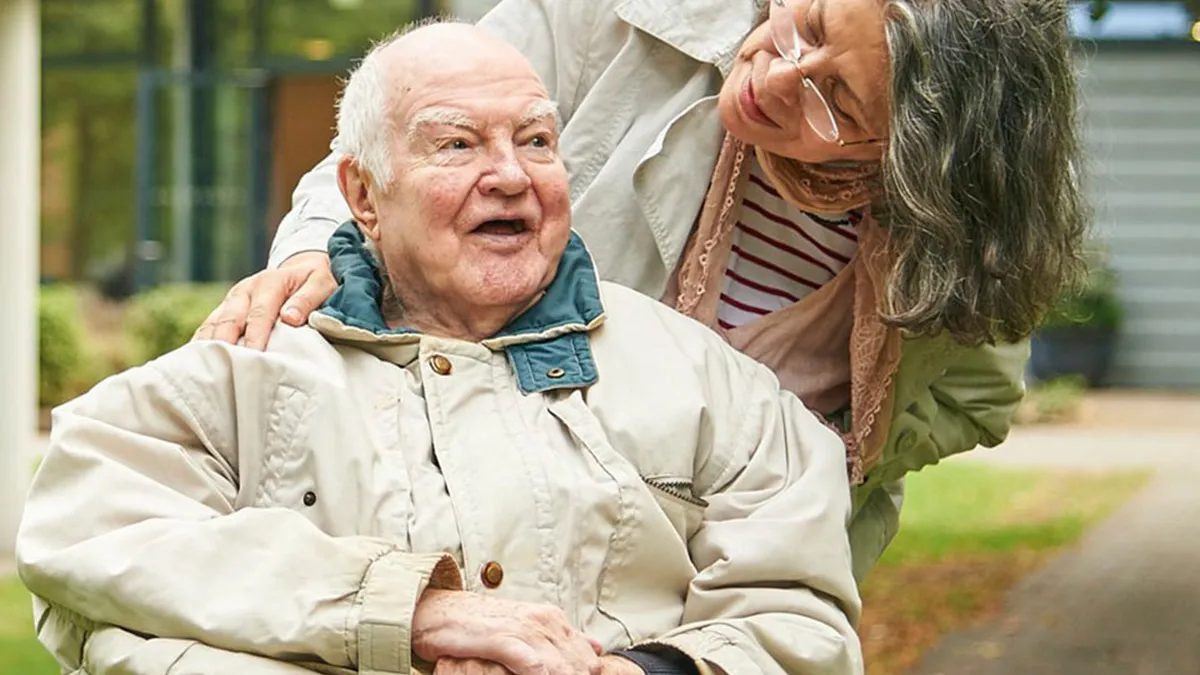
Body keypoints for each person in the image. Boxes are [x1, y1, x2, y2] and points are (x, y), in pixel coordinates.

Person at [17, 22, 864, 675]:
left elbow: (799, 614)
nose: (510, 174)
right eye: (457, 143)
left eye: (536, 140)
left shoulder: (711, 383)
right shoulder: (254, 359)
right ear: (362, 193)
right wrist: (405, 614)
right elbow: (84, 554)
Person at [195, 0, 1089, 580]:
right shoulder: (616, 15)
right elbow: (406, 124)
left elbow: (976, 397)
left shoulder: (961, 231)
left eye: (837, 103)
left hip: (722, 571)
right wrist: (318, 249)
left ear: (912, 160)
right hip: (517, 495)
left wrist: (812, 454)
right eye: (806, 24)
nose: (775, 76)